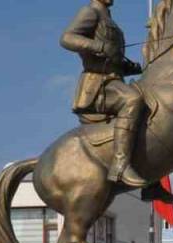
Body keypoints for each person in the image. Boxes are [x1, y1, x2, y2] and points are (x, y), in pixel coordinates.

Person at [60, 0, 147, 188]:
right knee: (133, 100)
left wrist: (127, 67)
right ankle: (120, 165)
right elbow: (67, 38)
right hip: (99, 85)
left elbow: (112, 59)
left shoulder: (109, 19)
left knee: (148, 109)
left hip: (114, 81)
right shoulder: (90, 12)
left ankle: (152, 180)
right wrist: (98, 46)